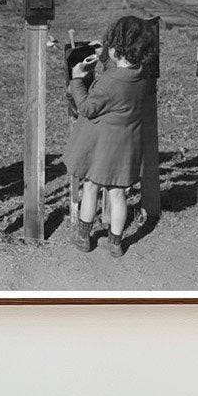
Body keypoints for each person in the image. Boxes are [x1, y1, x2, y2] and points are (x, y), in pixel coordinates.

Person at [63, 15, 154, 257]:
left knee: (91, 186)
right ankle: (115, 242)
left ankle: (83, 236)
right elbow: (120, 72)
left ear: (119, 50)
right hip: (126, 146)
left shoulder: (110, 81)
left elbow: (87, 108)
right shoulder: (141, 74)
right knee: (117, 193)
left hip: (103, 147)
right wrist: (104, 56)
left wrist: (76, 80)